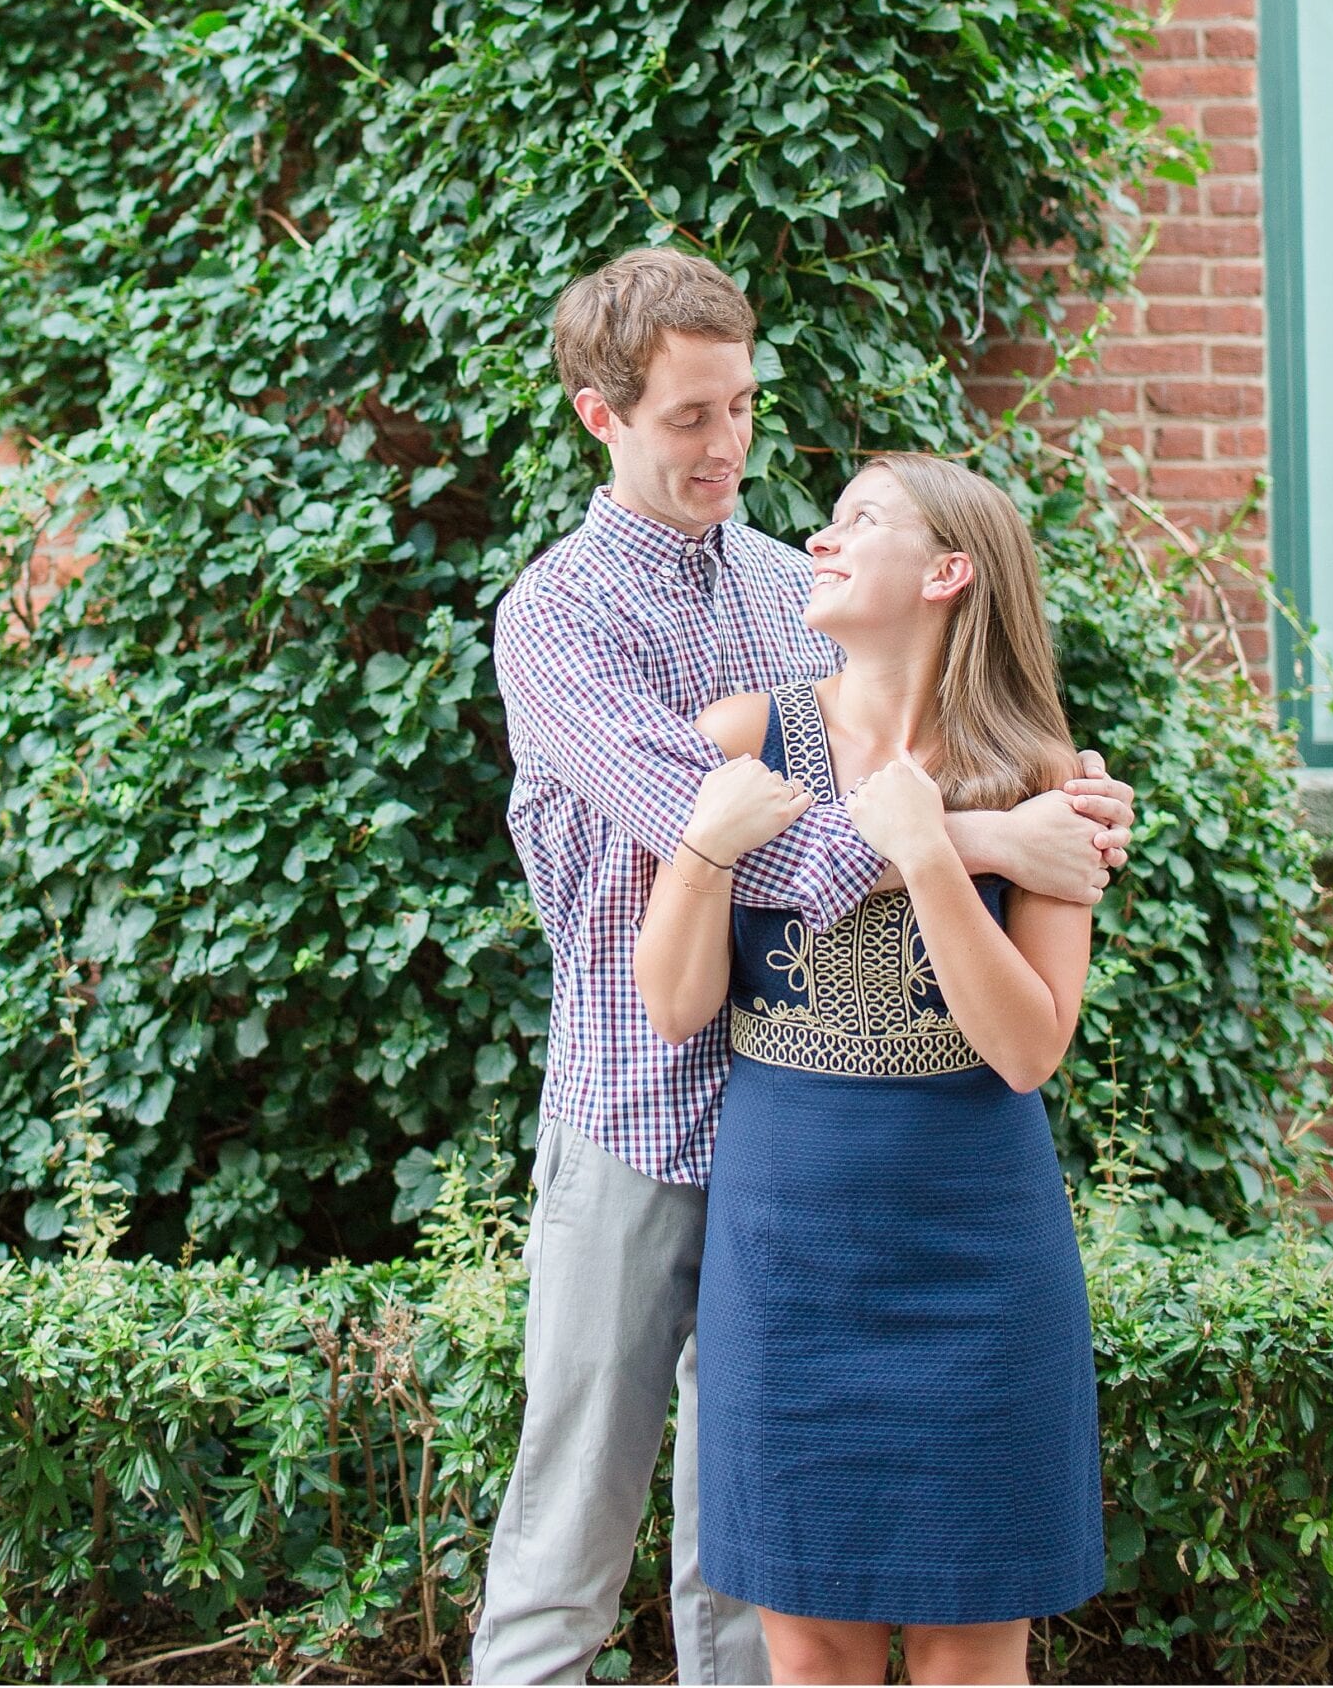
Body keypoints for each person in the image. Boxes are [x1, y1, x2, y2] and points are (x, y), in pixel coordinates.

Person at [469, 249, 1133, 1688]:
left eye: (742, 408)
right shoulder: (558, 618)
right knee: (572, 1522)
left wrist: (1053, 817)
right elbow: (741, 851)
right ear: (605, 416)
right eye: (690, 419)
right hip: (641, 1105)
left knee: (750, 1555)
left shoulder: (790, 586)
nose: (730, 447)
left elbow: (915, 735)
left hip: (803, 1134)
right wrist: (981, 834)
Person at [635, 453, 1105, 1687]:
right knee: (813, 1654)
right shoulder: (746, 736)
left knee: (968, 1655)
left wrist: (932, 853)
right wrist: (703, 842)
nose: (821, 536)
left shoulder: (1044, 778)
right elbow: (677, 1003)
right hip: (787, 1260)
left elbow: (1026, 1047)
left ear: (947, 571)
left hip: (982, 1264)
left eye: (860, 519)